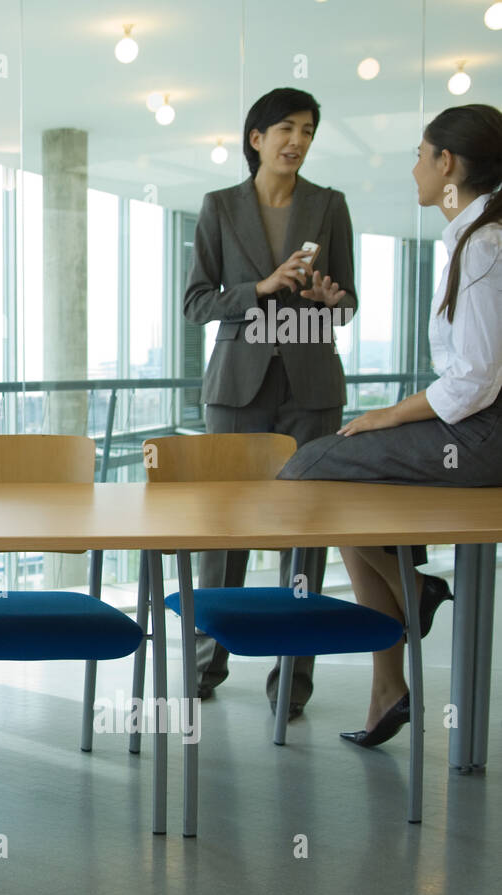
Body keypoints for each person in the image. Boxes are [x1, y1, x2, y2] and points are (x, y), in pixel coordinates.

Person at [279, 103, 502, 747]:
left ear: (448, 164)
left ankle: (414, 593)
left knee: (307, 467)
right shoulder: (472, 235)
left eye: (420, 154)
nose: (415, 169)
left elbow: (476, 380)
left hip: (482, 438)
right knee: (354, 492)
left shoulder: (484, 245)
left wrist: (390, 413)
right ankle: (389, 685)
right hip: (476, 428)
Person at [183, 87, 358, 718]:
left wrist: (332, 300)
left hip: (311, 386)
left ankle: (293, 676)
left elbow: (349, 301)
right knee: (224, 528)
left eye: (309, 130)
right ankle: (207, 661)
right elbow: (196, 302)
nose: (299, 140)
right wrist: (259, 288)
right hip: (237, 388)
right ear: (256, 137)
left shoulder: (328, 205)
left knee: (304, 533)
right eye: (287, 127)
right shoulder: (219, 207)